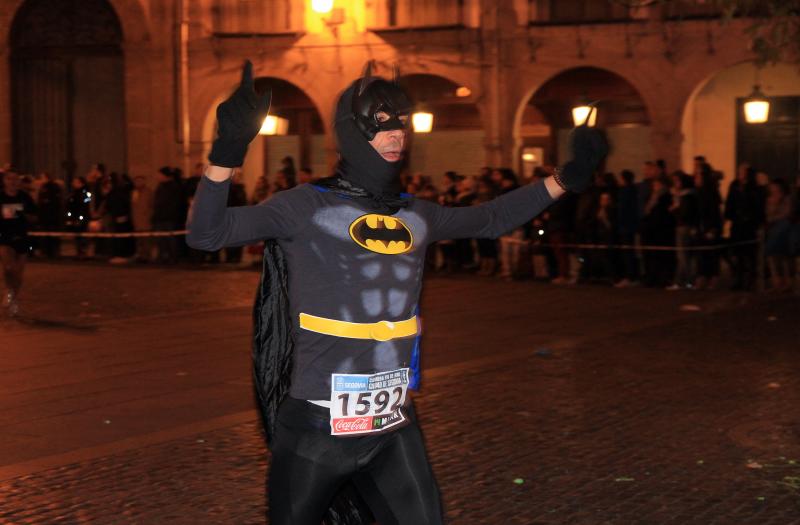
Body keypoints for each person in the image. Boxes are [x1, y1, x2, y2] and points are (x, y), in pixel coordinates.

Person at [187, 60, 607, 525]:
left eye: (400, 124)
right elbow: (207, 234)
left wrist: (565, 178)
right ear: (352, 132)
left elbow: (490, 219)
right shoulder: (305, 206)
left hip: (392, 425)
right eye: (380, 125)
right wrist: (225, 154)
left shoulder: (415, 214)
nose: (395, 135)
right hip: (317, 426)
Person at [1, 170, 37, 316]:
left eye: (16, 179)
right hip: (4, 237)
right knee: (9, 268)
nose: (13, 181)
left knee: (18, 272)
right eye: (10, 179)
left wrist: (22, 214)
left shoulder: (25, 197)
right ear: (4, 181)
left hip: (22, 237)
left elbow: (34, 217)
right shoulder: (1, 196)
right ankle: (9, 292)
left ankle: (13, 298)